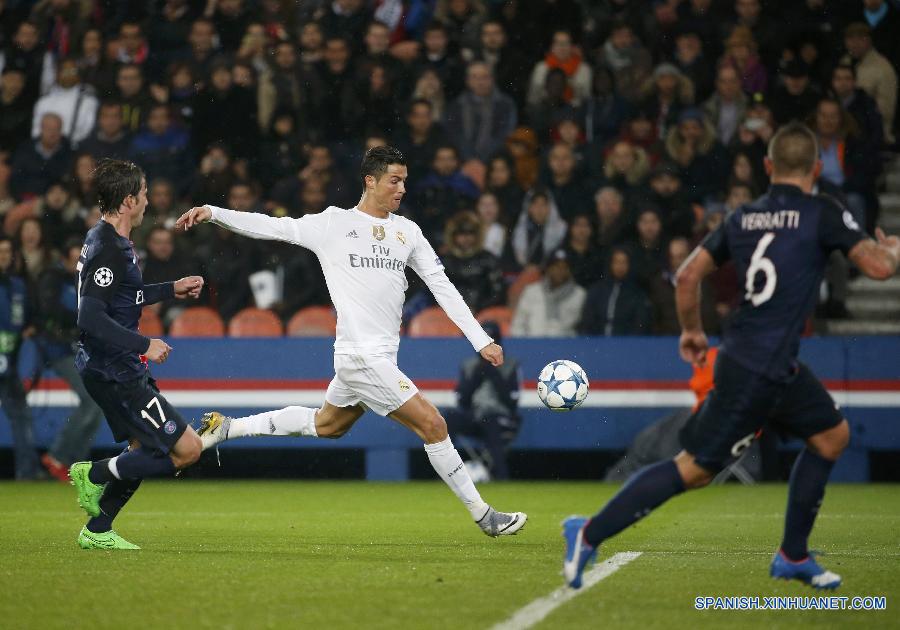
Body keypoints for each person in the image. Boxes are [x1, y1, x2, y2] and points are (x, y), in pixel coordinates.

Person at [561, 123, 900, 590]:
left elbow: (686, 276)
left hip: (769, 361)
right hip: (758, 368)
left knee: (831, 436)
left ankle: (793, 555)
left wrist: (693, 332)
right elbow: (879, 267)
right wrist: (892, 252)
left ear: (767, 167)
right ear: (817, 169)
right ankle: (589, 531)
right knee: (695, 469)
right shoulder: (823, 212)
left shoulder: (742, 217)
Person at [176, 146, 526, 537]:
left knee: (328, 425)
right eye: (395, 180)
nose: (402, 188)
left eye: (405, 181)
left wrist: (480, 339)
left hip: (377, 359)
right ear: (370, 181)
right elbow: (273, 226)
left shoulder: (408, 232)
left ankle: (226, 428)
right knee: (434, 424)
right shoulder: (333, 225)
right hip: (360, 357)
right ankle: (484, 515)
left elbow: (442, 287)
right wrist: (215, 212)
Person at [68, 159, 205, 550]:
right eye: (143, 193)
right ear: (129, 200)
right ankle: (94, 473)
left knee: (143, 449)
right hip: (117, 370)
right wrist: (144, 344)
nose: (147, 200)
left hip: (108, 366)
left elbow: (122, 298)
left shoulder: (108, 240)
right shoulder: (109, 247)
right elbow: (90, 316)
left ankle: (98, 530)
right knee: (187, 450)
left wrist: (170, 288)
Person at [37, 238, 104, 481]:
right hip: (58, 349)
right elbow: (49, 310)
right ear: (64, 259)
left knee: (97, 402)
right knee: (90, 398)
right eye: (75, 260)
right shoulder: (52, 279)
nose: (79, 265)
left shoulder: (83, 280)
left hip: (78, 348)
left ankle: (76, 464)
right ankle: (58, 455)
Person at [443, 321, 522, 481]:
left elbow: (512, 403)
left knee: (490, 420)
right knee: (449, 418)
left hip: (501, 419)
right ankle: (447, 473)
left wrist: (493, 374)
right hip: (474, 417)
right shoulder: (469, 366)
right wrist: (477, 376)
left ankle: (501, 476)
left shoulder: (511, 365)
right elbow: (462, 402)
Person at [0, 235, 40, 479]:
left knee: (22, 415)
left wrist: (30, 327)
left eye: (7, 251)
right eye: (0, 251)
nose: (3, 256)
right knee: (20, 415)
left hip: (10, 361)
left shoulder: (19, 285)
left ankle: (27, 471)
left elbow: (32, 316)